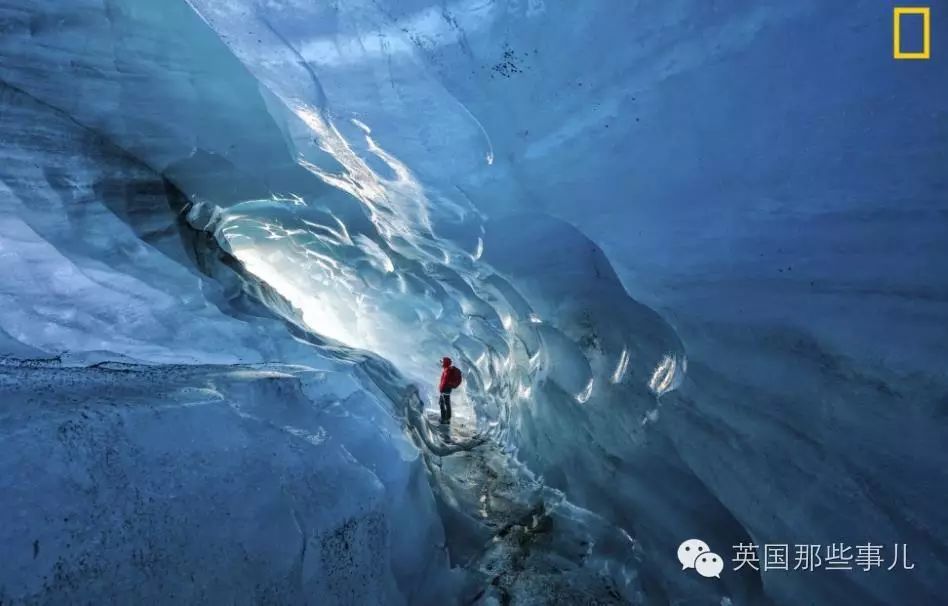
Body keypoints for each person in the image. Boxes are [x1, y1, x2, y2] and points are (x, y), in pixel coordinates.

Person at [438, 356, 462, 424]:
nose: (441, 363)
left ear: (445, 363)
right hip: (447, 389)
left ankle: (445, 419)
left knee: (444, 404)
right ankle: (446, 418)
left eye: (442, 362)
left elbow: (444, 381)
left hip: (445, 390)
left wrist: (441, 389)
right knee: (445, 403)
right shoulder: (447, 370)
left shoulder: (447, 371)